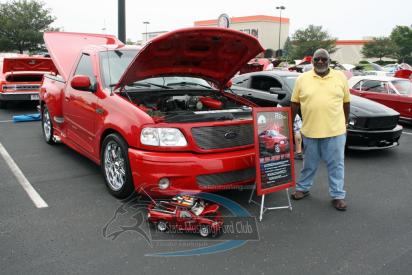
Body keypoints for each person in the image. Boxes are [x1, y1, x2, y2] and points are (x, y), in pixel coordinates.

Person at [290, 49, 350, 211]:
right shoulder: (302, 79)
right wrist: (289, 124)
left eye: (324, 59)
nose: (321, 62)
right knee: (309, 164)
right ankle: (303, 188)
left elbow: (346, 102)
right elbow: (294, 103)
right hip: (310, 131)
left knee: (336, 165)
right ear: (312, 61)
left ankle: (338, 196)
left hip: (335, 132)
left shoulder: (340, 77)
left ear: (329, 60)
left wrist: (344, 123)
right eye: (317, 59)